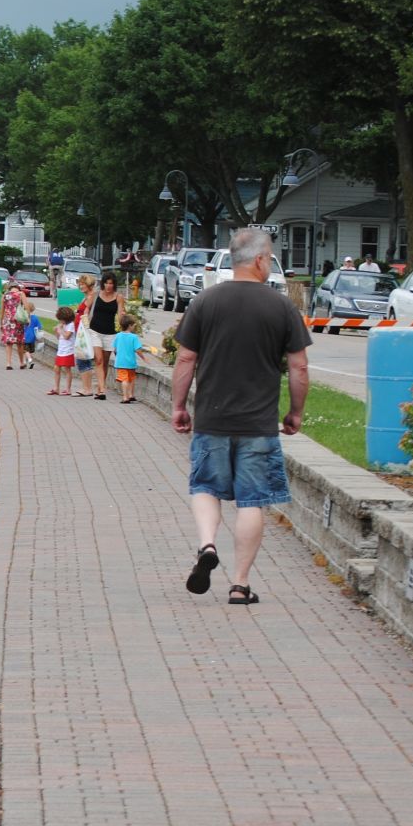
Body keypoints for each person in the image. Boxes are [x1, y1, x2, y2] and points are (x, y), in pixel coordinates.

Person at [172, 227, 311, 606]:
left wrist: (179, 406)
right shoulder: (281, 307)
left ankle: (207, 545)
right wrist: (295, 412)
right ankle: (240, 584)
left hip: (212, 420)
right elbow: (298, 367)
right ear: (262, 260)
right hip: (258, 425)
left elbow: (186, 358)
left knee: (205, 487)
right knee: (251, 502)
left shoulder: (205, 301)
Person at [84, 274, 125, 400]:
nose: (109, 286)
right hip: (95, 330)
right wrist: (85, 319)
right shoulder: (96, 294)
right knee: (99, 360)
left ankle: (100, 386)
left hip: (110, 333)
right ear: (103, 284)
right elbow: (87, 308)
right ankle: (102, 390)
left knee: (105, 362)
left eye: (111, 283)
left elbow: (120, 314)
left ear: (114, 285)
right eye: (106, 283)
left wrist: (124, 322)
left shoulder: (118, 297)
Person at [111, 315, 143, 403]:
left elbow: (115, 349)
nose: (134, 327)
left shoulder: (118, 336)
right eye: (133, 325)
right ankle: (131, 395)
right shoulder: (134, 337)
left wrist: (118, 356)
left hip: (121, 362)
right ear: (129, 325)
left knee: (124, 379)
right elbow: (137, 350)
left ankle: (125, 397)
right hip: (131, 363)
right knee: (131, 379)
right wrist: (144, 358)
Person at [49, 304, 79, 395]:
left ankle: (68, 389)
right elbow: (59, 338)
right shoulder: (63, 325)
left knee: (67, 369)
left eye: (61, 319)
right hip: (61, 350)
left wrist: (61, 329)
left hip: (68, 350)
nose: (60, 321)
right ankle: (56, 387)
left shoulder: (70, 325)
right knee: (56, 368)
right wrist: (56, 332)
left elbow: (66, 336)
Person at [0, 282, 27, 369]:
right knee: (20, 343)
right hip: (18, 320)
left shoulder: (5, 295)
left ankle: (8, 363)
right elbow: (26, 307)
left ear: (9, 288)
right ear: (18, 288)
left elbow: (2, 310)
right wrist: (28, 318)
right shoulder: (21, 294)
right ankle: (22, 363)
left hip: (8, 321)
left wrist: (1, 322)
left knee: (9, 343)